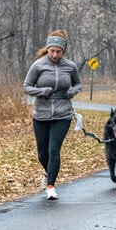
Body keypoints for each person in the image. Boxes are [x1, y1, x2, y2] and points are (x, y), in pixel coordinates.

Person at [23, 30, 82, 200]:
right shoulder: (38, 65)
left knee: (54, 150)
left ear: (63, 51)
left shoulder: (70, 66)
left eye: (58, 51)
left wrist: (72, 91)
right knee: (42, 153)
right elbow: (27, 86)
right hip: (41, 113)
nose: (55, 55)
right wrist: (42, 91)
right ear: (47, 49)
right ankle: (48, 173)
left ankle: (51, 187)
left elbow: (78, 84)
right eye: (52, 51)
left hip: (63, 113)